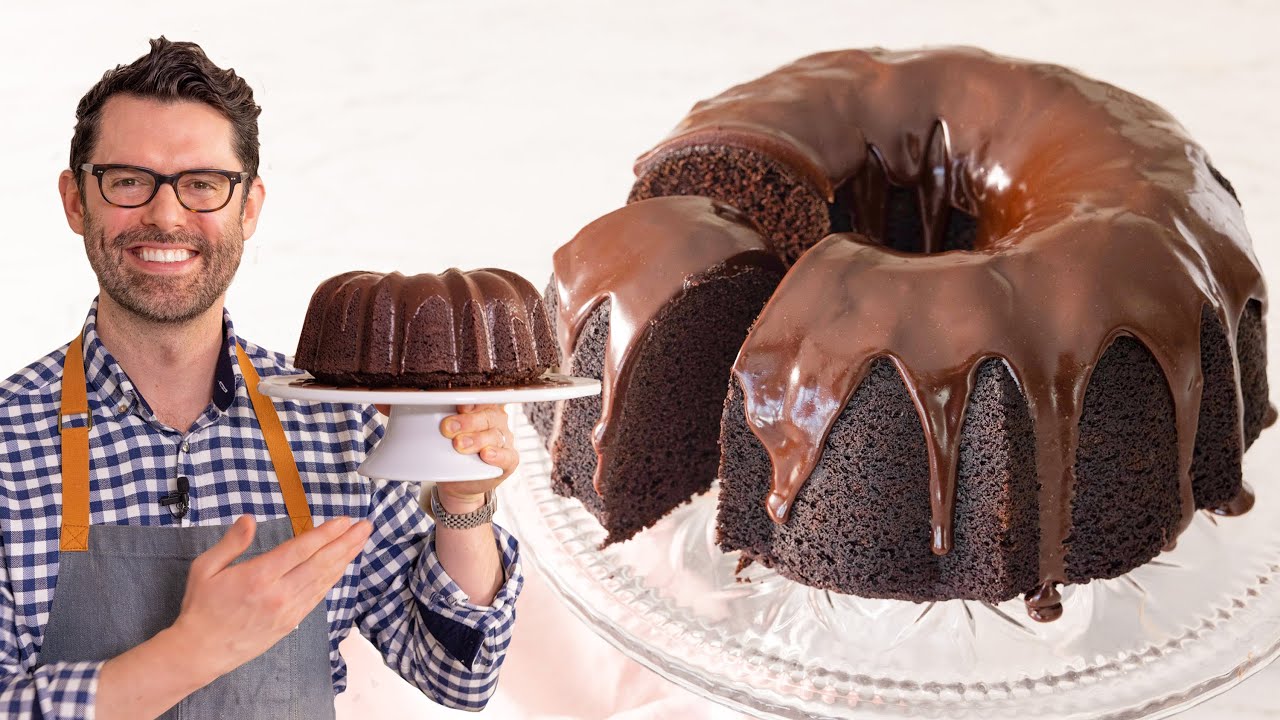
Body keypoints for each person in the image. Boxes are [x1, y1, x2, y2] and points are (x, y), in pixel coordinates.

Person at [0, 37, 524, 719]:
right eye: (128, 181)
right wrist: (190, 653)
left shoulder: (340, 426)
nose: (165, 214)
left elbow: (456, 674)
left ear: (248, 207)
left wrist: (463, 501)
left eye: (202, 184)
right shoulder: (8, 445)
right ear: (76, 201)